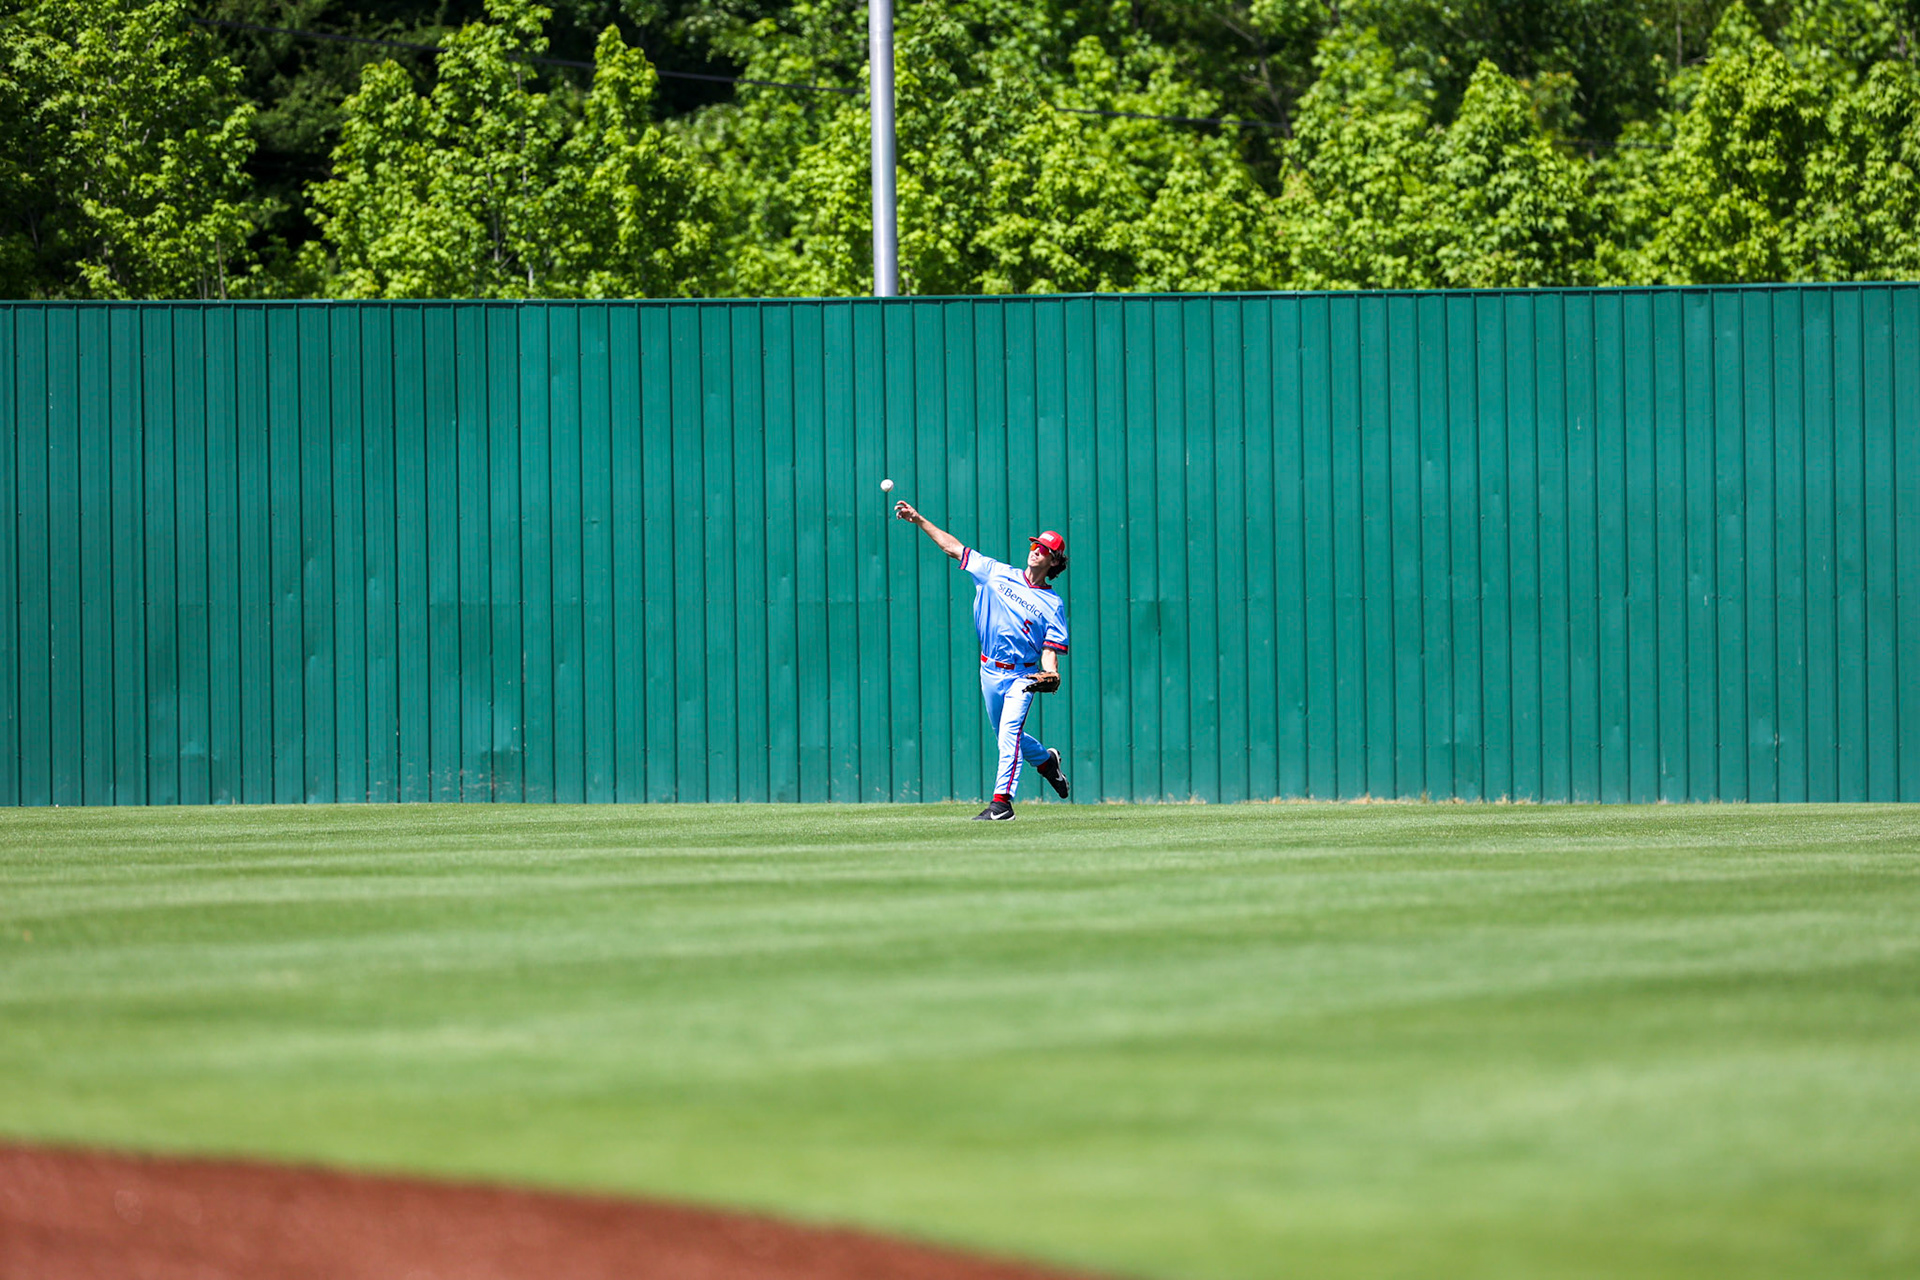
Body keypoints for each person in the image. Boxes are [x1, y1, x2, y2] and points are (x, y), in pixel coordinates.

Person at [894, 500, 1071, 820]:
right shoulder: (995, 573)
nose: (1035, 551)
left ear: (1054, 560)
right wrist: (919, 519)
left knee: (1009, 735)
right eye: (1035, 544)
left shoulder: (1052, 603)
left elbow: (1050, 650)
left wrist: (1050, 673)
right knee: (1007, 734)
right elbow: (954, 549)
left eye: (1044, 549)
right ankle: (1047, 763)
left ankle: (1002, 804)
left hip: (1023, 676)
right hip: (989, 670)